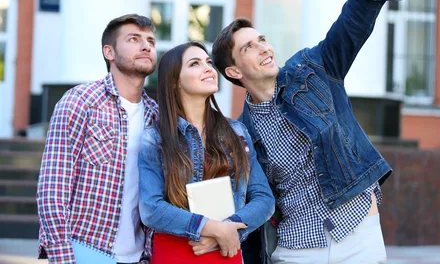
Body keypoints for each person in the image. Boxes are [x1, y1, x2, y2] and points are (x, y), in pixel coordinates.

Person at [211, 0, 416, 264]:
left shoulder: (313, 68)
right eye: (248, 47)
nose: (264, 48)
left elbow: (355, 17)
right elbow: (251, 196)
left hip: (357, 232)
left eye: (262, 39)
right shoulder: (243, 132)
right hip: (296, 247)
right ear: (233, 72)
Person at [37, 14, 159, 263]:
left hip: (139, 256)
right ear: (109, 52)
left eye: (150, 40)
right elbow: (53, 188)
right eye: (134, 39)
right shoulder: (80, 101)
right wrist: (63, 257)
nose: (146, 46)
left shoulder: (157, 116)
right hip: (84, 251)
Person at [138, 41, 275, 263]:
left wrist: (229, 228)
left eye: (209, 63)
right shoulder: (155, 138)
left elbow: (264, 199)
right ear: (174, 81)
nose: (208, 68)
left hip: (226, 251)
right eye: (195, 63)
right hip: (175, 252)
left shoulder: (237, 133)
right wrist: (211, 228)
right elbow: (151, 209)